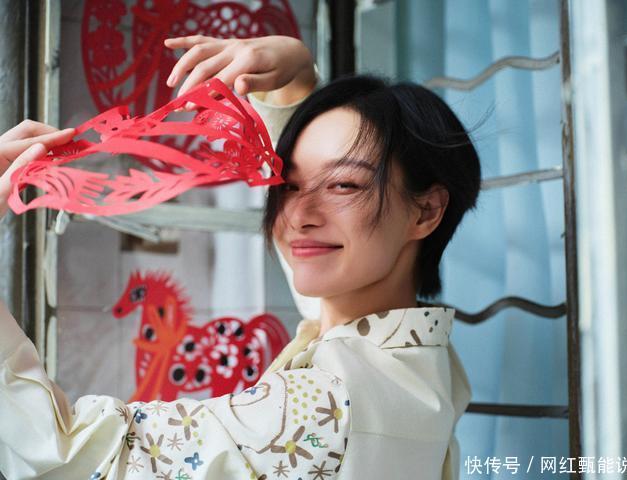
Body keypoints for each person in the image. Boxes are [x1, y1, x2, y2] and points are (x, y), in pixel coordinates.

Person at [0, 35, 479, 479]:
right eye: (287, 185)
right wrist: (293, 83)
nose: (298, 216)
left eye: (343, 185)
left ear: (426, 211)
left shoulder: (323, 407)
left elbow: (64, 458)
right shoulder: (414, 357)